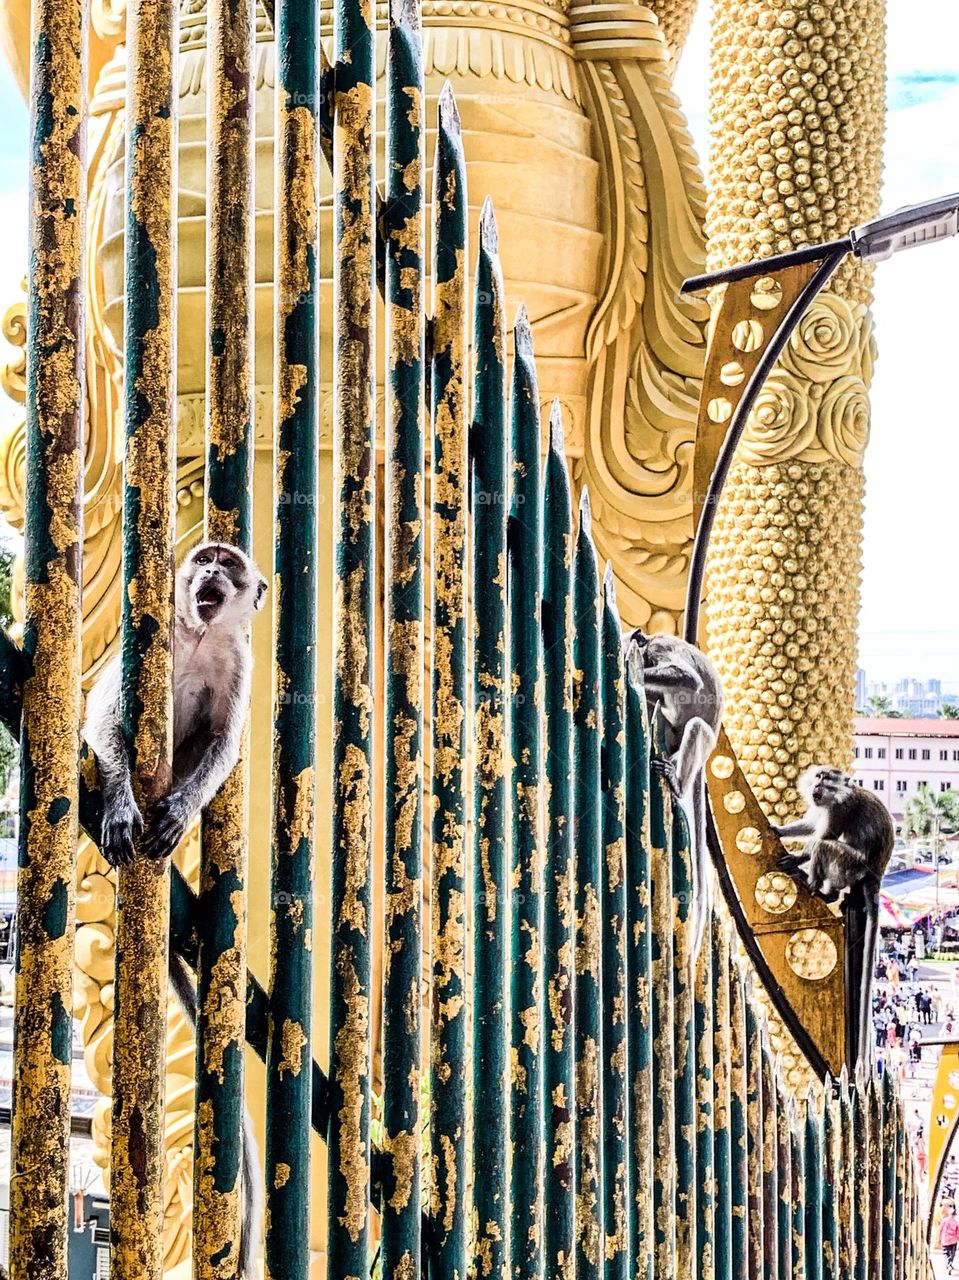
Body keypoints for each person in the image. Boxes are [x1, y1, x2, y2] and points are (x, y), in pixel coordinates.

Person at [939, 1200, 959, 1273]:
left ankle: (948, 1264)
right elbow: (958, 1230)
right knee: (952, 1253)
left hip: (945, 1240)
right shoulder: (956, 1220)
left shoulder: (944, 1220)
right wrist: (957, 1237)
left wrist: (939, 1238)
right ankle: (950, 1263)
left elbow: (940, 1230)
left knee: (945, 1253)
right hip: (954, 1240)